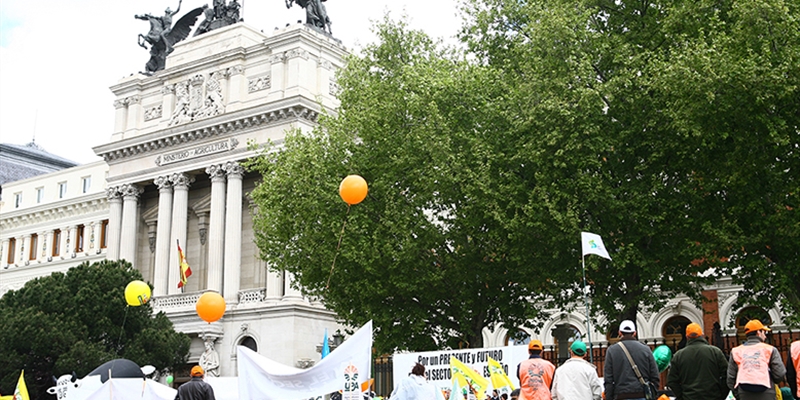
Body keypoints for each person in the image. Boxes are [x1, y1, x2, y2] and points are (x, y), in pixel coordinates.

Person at [727, 319, 786, 400]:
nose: (765, 336)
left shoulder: (736, 351)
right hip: (766, 392)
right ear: (758, 332)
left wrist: (738, 394)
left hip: (744, 393)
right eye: (764, 332)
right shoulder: (769, 349)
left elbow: (730, 378)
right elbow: (780, 373)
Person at [666, 322, 728, 400]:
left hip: (689, 397)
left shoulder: (678, 356)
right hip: (713, 396)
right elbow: (726, 375)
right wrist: (721, 394)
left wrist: (681, 396)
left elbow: (672, 381)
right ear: (702, 335)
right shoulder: (715, 352)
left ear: (687, 336)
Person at [603, 320, 659, 400]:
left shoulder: (612, 351)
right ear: (634, 333)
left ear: (619, 333)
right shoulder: (646, 349)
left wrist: (609, 397)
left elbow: (608, 379)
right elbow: (654, 375)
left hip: (621, 395)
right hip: (642, 395)